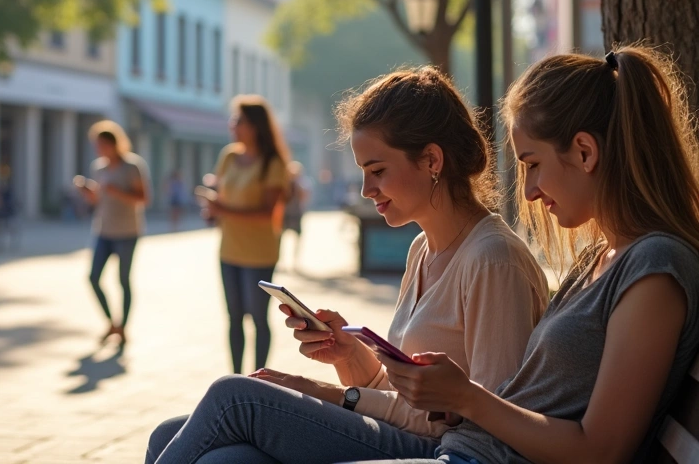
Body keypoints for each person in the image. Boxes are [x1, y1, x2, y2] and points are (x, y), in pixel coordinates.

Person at [147, 68, 550, 463]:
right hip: (408, 434)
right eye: (363, 172)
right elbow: (400, 396)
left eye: (377, 171)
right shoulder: (422, 249)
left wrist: (328, 393)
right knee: (184, 440)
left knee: (232, 396)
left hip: (443, 450)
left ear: (431, 160)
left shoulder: (492, 260)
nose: (365, 190)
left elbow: (490, 424)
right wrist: (350, 357)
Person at [342, 47, 699, 464]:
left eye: (532, 164)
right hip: (465, 452)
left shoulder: (654, 267)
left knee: (245, 405)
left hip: (475, 458)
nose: (528, 191)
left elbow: (601, 450)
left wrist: (467, 397)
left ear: (584, 152)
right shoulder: (600, 259)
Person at [198, 95, 293, 374]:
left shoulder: (272, 163)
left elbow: (267, 212)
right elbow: (221, 196)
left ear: (255, 126)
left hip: (259, 253)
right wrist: (213, 209)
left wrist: (223, 209)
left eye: (238, 120)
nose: (232, 125)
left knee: (258, 318)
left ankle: (259, 377)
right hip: (229, 250)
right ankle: (236, 377)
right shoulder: (228, 155)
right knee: (234, 317)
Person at [74, 121, 151, 345]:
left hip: (127, 231)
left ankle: (123, 327)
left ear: (113, 144)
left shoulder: (132, 166)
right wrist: (87, 191)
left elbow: (144, 199)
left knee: (123, 280)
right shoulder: (98, 167)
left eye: (101, 144)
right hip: (103, 230)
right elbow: (98, 199)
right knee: (93, 278)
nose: (98, 149)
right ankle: (112, 323)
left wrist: (116, 191)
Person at [283, 160, 310, 271]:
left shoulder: (301, 183)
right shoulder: (285, 183)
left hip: (296, 212)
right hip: (286, 213)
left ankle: (295, 261)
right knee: (281, 237)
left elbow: (304, 197)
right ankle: (282, 260)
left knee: (297, 238)